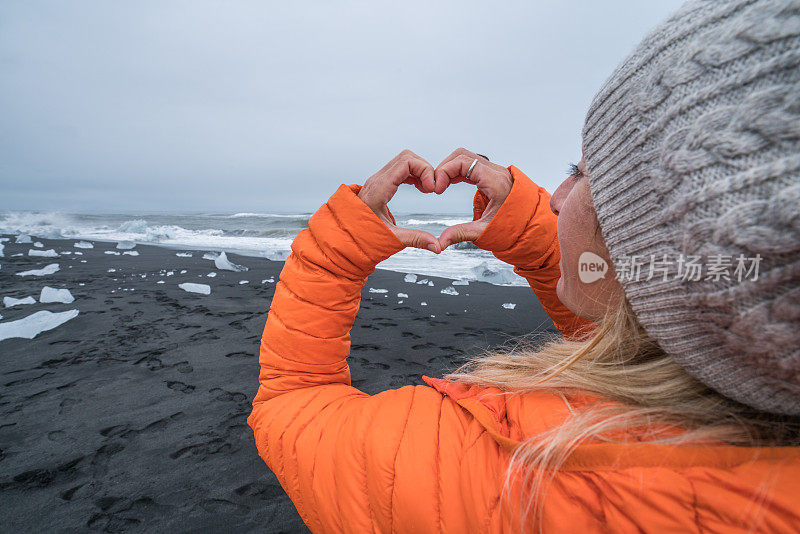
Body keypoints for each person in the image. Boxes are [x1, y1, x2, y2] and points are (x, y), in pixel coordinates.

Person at [247, 0, 800, 531]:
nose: (558, 197)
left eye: (582, 174)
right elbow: (667, 330)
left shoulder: (497, 466)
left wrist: (337, 249)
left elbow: (292, 407)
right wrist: (536, 240)